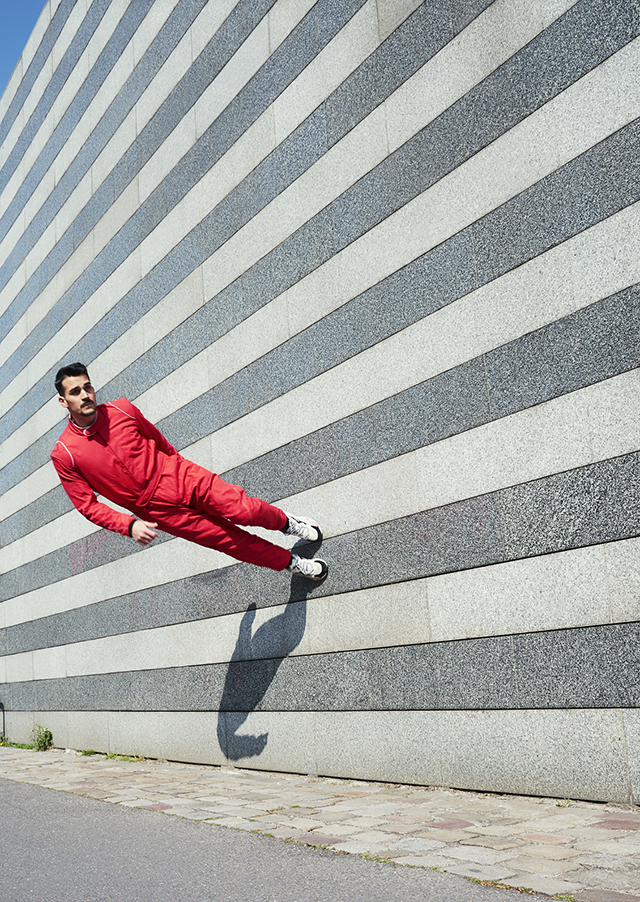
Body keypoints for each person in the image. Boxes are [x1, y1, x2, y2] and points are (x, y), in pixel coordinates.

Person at [50, 362, 328, 581]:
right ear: (63, 402)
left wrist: (178, 466)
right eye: (75, 392)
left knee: (244, 510)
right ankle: (292, 563)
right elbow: (87, 506)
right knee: (231, 542)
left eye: (88, 387)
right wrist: (129, 524)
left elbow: (157, 440)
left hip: (180, 475)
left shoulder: (122, 409)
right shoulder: (65, 453)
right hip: (157, 510)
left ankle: (287, 523)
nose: (85, 395)